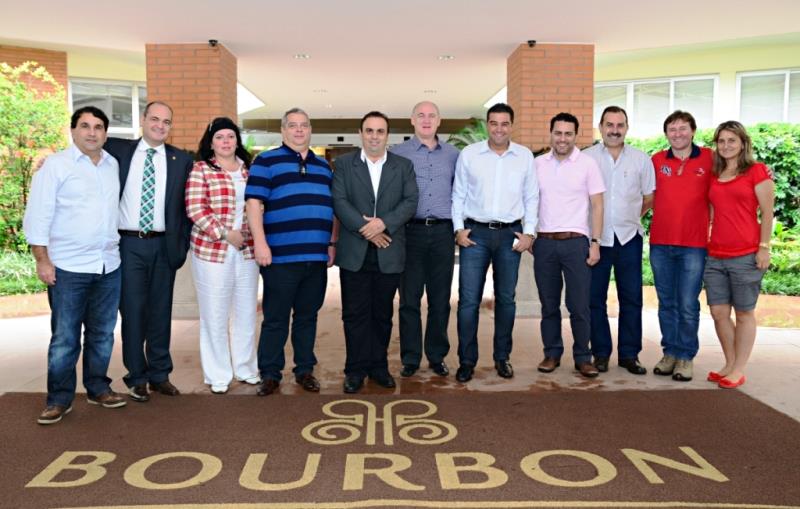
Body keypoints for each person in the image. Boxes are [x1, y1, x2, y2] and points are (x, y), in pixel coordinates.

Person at [23, 106, 126, 424]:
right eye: (85, 126)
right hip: (68, 267)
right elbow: (37, 214)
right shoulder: (56, 166)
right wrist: (42, 260)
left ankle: (98, 388)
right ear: (73, 130)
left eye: (98, 127)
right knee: (65, 338)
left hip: (108, 265)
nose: (92, 132)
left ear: (105, 133)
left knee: (102, 334)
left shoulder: (112, 164)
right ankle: (58, 399)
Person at [105, 101, 194, 402]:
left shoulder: (181, 160)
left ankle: (159, 375)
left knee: (160, 312)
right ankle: (137, 377)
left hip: (163, 245)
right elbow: (85, 148)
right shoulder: (117, 150)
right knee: (133, 312)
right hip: (129, 244)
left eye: (166, 122)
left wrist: (181, 243)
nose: (160, 125)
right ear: (143, 120)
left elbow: (186, 207)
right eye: (155, 119)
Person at [245, 108, 336, 396]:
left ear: (310, 130)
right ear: (283, 131)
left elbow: (332, 208)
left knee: (308, 317)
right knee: (276, 319)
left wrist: (331, 244)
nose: (299, 130)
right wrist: (260, 243)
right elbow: (253, 204)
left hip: (315, 257)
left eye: (304, 125)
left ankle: (304, 370)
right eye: (293, 125)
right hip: (279, 257)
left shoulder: (324, 167)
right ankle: (270, 374)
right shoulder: (266, 161)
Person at [332, 111, 418, 394]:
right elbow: (339, 201)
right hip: (354, 252)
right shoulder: (344, 164)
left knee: (382, 314)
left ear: (387, 136)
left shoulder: (403, 166)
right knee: (354, 314)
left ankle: (379, 367)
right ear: (360, 133)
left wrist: (383, 224)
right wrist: (366, 229)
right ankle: (355, 370)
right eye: (369, 130)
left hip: (389, 249)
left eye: (380, 131)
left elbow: (410, 201)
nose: (374, 136)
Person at [451, 103, 538, 383]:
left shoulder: (524, 157)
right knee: (468, 301)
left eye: (504, 123)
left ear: (511, 126)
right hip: (475, 234)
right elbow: (458, 195)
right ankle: (467, 361)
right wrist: (458, 230)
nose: (499, 129)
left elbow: (532, 197)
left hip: (510, 235)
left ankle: (502, 358)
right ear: (488, 125)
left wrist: (530, 233)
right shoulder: (469, 154)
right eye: (494, 123)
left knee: (506, 300)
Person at [185, 117, 260, 394]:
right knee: (214, 315)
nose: (226, 141)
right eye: (219, 137)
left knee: (246, 312)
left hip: (247, 252)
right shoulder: (201, 169)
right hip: (212, 252)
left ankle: (246, 368)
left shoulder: (250, 170)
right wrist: (225, 233)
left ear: (237, 140)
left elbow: (259, 205)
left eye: (230, 136)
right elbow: (195, 207)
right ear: (211, 142)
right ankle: (218, 374)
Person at [390, 101, 459, 378]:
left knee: (440, 299)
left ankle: (436, 355)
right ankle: (410, 358)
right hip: (410, 233)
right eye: (421, 115)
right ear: (412, 120)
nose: (426, 120)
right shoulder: (398, 153)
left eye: (432, 116)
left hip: (443, 233)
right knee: (409, 299)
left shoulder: (454, 155)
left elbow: (461, 192)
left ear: (439, 121)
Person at [583, 106, 655, 375]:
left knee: (632, 298)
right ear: (600, 127)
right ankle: (600, 353)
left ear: (626, 128)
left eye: (620, 125)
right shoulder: (586, 158)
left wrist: (628, 217)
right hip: (596, 240)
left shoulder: (641, 159)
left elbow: (649, 197)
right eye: (609, 125)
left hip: (628, 239)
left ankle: (629, 355)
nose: (614, 130)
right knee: (594, 299)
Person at [534, 112, 605, 378]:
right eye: (558, 133)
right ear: (550, 133)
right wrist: (528, 235)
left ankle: (583, 357)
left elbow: (597, 205)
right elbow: (528, 201)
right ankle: (552, 353)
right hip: (544, 243)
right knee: (549, 304)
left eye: (568, 133)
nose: (562, 138)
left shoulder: (587, 164)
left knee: (579, 305)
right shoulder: (537, 164)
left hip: (576, 243)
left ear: (576, 135)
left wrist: (595, 242)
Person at [704, 121, 774, 389]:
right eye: (721, 141)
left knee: (744, 312)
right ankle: (730, 363)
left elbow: (767, 212)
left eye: (732, 140)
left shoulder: (756, 171)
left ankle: (739, 369)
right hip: (716, 255)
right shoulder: (715, 174)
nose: (726, 146)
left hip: (745, 254)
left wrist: (764, 247)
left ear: (743, 143)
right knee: (719, 312)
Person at [650, 110, 713, 382]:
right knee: (666, 303)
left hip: (693, 245)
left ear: (693, 131)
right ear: (666, 134)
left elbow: (738, 168)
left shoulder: (710, 158)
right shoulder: (656, 160)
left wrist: (763, 170)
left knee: (687, 303)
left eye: (683, 128)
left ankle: (685, 356)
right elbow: (644, 194)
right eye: (672, 129)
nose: (678, 134)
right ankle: (670, 353)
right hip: (660, 244)